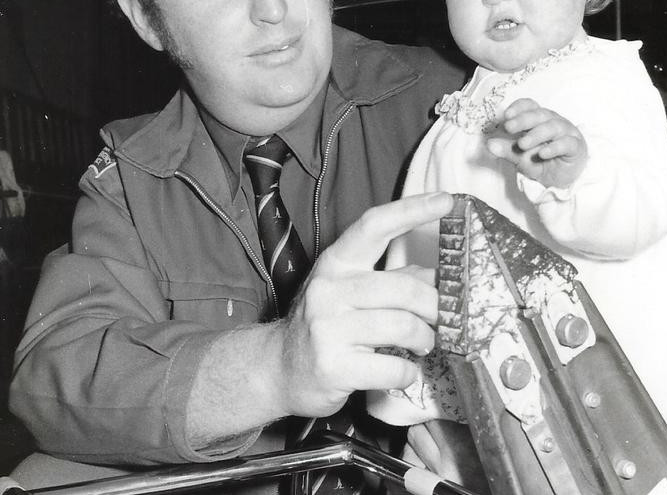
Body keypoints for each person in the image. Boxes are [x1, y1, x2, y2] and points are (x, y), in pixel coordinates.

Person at [7, 0, 470, 491]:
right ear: (145, 18)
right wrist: (274, 367)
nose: (273, 9)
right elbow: (53, 380)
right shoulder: (130, 179)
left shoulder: (462, 101)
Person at [370, 0, 667, 464]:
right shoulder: (477, 90)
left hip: (584, 391)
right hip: (483, 370)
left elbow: (646, 212)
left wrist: (576, 176)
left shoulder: (603, 79)